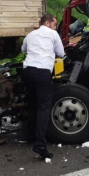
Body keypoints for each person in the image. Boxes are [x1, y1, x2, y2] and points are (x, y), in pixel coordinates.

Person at [21, 14, 65, 158]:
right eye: (54, 23)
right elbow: (61, 53)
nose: (55, 26)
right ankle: (40, 144)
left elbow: (23, 50)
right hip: (42, 72)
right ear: (47, 22)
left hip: (27, 71)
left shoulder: (31, 34)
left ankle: (31, 135)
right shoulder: (53, 34)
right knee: (43, 107)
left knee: (33, 103)